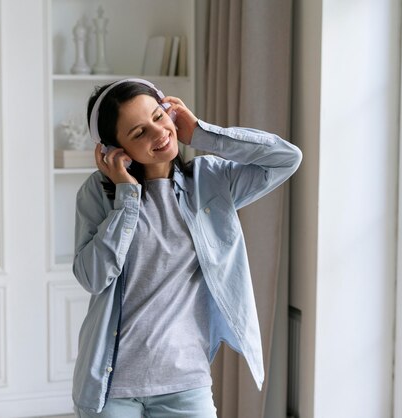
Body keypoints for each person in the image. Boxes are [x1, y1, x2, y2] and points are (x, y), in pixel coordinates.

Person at [72, 78, 302, 417]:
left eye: (158, 116)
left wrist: (202, 134)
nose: (158, 133)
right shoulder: (98, 194)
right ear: (114, 150)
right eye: (138, 133)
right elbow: (92, 278)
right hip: (111, 386)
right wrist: (126, 199)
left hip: (185, 381)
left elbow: (286, 159)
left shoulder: (210, 180)